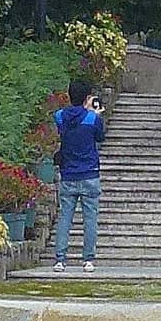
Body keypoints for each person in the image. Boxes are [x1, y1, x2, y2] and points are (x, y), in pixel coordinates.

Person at [51, 77, 106, 271]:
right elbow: (100, 137)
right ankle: (88, 259)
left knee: (65, 217)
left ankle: (60, 259)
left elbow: (62, 127)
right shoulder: (92, 119)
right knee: (90, 218)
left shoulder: (59, 116)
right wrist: (93, 112)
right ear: (87, 97)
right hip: (90, 173)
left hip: (68, 174)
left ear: (68, 95)